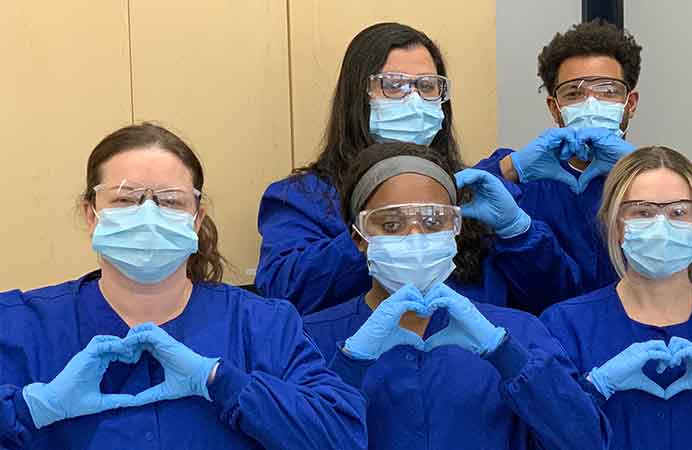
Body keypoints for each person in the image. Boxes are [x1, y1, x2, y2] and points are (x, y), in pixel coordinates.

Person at [0, 123, 366, 449]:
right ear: (90, 213)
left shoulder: (262, 324)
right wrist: (31, 409)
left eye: (170, 202)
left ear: (196, 218)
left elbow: (341, 436)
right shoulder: (19, 325)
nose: (148, 216)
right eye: (125, 200)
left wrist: (223, 383)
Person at [301, 143, 609, 449]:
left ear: (455, 229)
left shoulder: (518, 332)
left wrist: (507, 356)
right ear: (359, 238)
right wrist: (348, 368)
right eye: (392, 225)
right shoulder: (310, 339)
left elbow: (585, 441)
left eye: (433, 222)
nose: (416, 238)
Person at [255, 22, 578, 314]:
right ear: (358, 96)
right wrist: (381, 228)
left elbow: (554, 300)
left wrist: (518, 232)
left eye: (427, 86)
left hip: (474, 367)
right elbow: (284, 294)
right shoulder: (300, 196)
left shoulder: (474, 193)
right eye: (393, 85)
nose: (413, 99)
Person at [540, 146, 692, 448]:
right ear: (614, 223)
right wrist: (592, 391)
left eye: (678, 212)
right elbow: (548, 436)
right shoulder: (566, 325)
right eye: (643, 212)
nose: (661, 226)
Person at [474, 20, 692, 306]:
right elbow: (452, 204)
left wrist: (639, 166)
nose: (591, 102)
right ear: (554, 107)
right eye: (574, 93)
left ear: (630, 103)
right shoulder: (520, 175)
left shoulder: (665, 179)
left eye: (608, 91)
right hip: (543, 337)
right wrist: (510, 168)